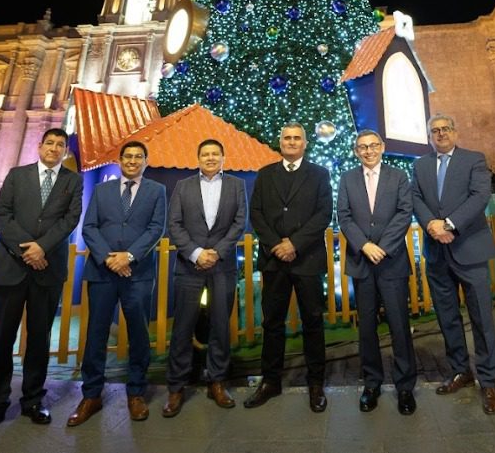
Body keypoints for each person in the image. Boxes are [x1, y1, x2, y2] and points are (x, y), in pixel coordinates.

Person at [0, 128, 83, 439]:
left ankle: (33, 400)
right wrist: (27, 249)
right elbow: (2, 215)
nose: (54, 148)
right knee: (2, 339)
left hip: (47, 270)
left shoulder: (73, 181)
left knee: (39, 339)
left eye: (60, 144)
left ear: (65, 151)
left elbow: (70, 220)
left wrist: (42, 248)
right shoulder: (17, 175)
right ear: (40, 146)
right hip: (12, 267)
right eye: (50, 143)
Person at [68, 140, 167, 427]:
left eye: (139, 157)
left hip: (137, 273)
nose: (133, 161)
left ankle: (136, 392)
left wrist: (129, 257)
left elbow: (155, 228)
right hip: (102, 271)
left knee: (138, 334)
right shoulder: (101, 190)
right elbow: (89, 227)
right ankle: (91, 394)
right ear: (120, 160)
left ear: (145, 161)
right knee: (96, 333)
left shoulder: (157, 191)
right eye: (128, 156)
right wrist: (108, 258)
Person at [411, 114, 495, 415]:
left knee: (481, 318)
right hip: (437, 252)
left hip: (469, 249)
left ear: (455, 131)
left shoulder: (474, 159)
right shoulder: (420, 165)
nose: (440, 134)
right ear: (429, 136)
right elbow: (415, 199)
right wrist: (432, 226)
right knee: (448, 318)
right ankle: (460, 372)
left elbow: (480, 196)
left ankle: (488, 380)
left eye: (445, 129)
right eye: (434, 131)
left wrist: (449, 224)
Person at [243, 122, 333, 414]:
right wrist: (275, 245)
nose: (292, 142)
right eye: (287, 138)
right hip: (273, 260)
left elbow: (323, 214)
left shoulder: (319, 174)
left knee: (313, 322)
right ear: (280, 142)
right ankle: (271, 381)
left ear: (305, 144)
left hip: (306, 259)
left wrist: (294, 243)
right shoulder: (265, 174)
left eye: (297, 138)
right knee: (272, 323)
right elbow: (255, 213)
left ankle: (316, 383)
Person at [161, 138, 248, 418]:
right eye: (205, 154)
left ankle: (218, 382)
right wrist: (196, 253)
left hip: (222, 266)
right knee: (183, 328)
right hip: (189, 266)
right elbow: (173, 224)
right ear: (198, 158)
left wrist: (217, 252)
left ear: (223, 157)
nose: (210, 158)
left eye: (215, 154)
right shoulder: (183, 186)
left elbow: (239, 222)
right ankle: (176, 387)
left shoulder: (237, 185)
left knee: (220, 326)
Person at [335, 129, 418, 415]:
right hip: (362, 262)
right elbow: (343, 216)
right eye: (362, 147)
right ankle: (372, 384)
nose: (368, 151)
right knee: (367, 328)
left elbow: (404, 213)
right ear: (356, 151)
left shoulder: (398, 176)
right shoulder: (347, 179)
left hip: (391, 261)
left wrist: (381, 246)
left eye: (373, 146)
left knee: (399, 326)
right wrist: (364, 246)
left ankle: (405, 386)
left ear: (382, 147)